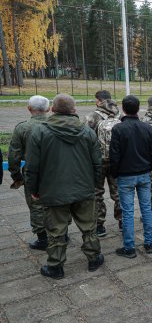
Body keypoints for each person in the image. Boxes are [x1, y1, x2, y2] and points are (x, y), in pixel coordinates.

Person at [26, 94, 104, 279]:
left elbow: (31, 167)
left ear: (52, 109)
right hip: (84, 189)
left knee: (56, 230)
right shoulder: (87, 132)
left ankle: (55, 266)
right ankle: (94, 258)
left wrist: (34, 190)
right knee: (88, 227)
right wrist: (94, 184)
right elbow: (97, 163)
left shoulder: (39, 132)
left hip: (53, 191)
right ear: (74, 110)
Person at [110, 96, 152, 257]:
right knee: (146, 209)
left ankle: (129, 248)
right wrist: (148, 168)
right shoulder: (147, 128)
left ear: (123, 109)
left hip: (126, 175)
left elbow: (114, 156)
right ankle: (149, 243)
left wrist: (115, 173)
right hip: (143, 173)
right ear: (138, 109)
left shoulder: (118, 129)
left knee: (128, 211)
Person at [8, 96, 51, 250]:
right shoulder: (55, 125)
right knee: (58, 203)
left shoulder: (22, 128)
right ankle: (61, 234)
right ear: (48, 109)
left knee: (36, 205)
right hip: (56, 171)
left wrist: (17, 176)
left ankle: (43, 239)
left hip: (33, 173)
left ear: (28, 108)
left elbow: (14, 156)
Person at [84, 90, 122, 237]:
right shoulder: (120, 115)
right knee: (118, 192)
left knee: (97, 193)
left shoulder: (91, 117)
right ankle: (122, 221)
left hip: (97, 162)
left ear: (98, 101)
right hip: (116, 161)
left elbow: (84, 138)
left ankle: (100, 225)